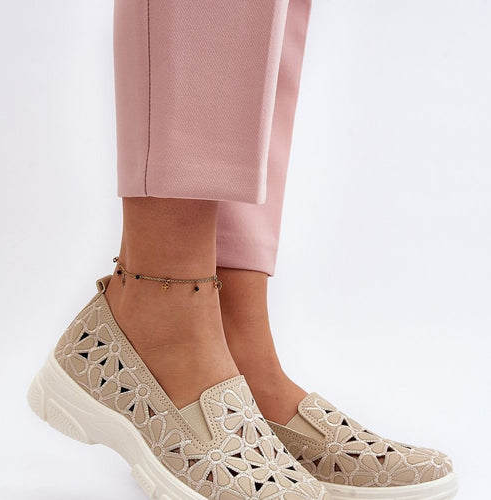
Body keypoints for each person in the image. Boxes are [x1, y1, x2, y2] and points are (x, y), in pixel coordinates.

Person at [28, 2, 457, 500]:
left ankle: (234, 339)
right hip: (160, 302)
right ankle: (163, 307)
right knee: (215, 13)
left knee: (263, 24)